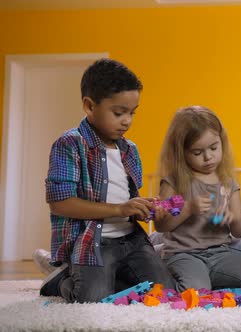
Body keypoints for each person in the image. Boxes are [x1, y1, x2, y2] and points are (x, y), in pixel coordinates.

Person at [36, 58, 176, 303]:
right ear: (90, 106)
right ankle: (60, 280)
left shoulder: (129, 149)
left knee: (165, 294)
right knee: (93, 299)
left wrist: (142, 208)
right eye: (119, 113)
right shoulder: (69, 144)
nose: (127, 121)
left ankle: (106, 276)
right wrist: (120, 208)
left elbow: (125, 199)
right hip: (93, 241)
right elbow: (61, 203)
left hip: (131, 239)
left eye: (132, 113)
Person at [152, 106, 241, 291]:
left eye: (214, 148)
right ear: (182, 152)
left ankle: (210, 285)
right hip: (183, 254)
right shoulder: (174, 182)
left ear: (222, 142)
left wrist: (234, 219)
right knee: (196, 290)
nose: (208, 157)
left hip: (220, 253)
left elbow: (240, 231)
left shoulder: (227, 183)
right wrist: (189, 209)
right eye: (197, 152)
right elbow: (161, 225)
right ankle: (165, 272)